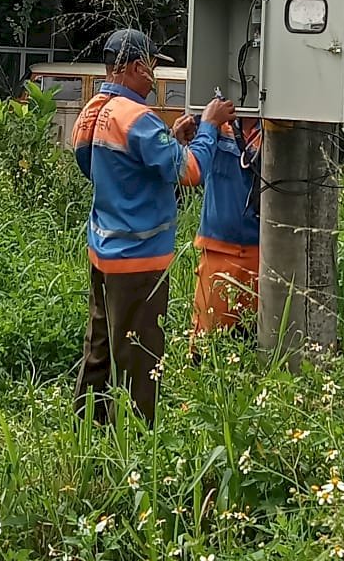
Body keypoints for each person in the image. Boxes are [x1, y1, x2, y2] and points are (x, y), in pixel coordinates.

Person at [71, 28, 235, 424]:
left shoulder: (94, 109)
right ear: (129, 67)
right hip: (139, 261)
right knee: (140, 361)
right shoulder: (138, 118)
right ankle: (135, 447)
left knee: (100, 350)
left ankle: (85, 432)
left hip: (103, 251)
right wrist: (210, 127)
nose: (153, 76)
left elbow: (100, 166)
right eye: (149, 68)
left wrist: (170, 140)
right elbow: (190, 171)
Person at [191, 116, 262, 346]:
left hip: (264, 250)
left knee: (258, 340)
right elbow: (190, 166)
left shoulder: (279, 125)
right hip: (217, 248)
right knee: (207, 341)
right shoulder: (214, 121)